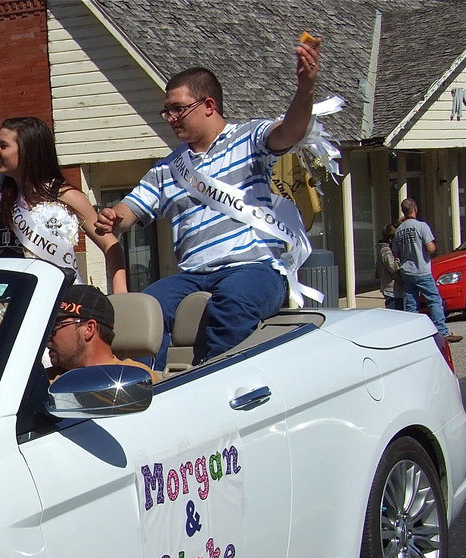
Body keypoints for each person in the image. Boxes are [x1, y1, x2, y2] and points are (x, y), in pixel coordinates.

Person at [96, 35, 324, 368]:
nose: (171, 117)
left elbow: (290, 131)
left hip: (253, 268)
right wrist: (113, 216)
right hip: (191, 275)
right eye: (167, 111)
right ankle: (151, 389)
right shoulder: (167, 168)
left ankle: (213, 384)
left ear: (208, 105)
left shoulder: (248, 138)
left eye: (178, 108)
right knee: (144, 311)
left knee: (232, 302)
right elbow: (129, 211)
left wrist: (305, 89)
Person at [0, 116, 127, 370]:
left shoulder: (67, 197)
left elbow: (111, 245)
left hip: (59, 296)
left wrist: (120, 296)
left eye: (3, 145)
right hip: (8, 294)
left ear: (28, 151)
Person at [46, 285, 160, 383]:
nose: (46, 337)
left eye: (54, 326)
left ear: (89, 329)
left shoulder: (135, 378)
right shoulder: (42, 380)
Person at [393, 198, 461, 343]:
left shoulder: (399, 230)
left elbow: (395, 253)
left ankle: (414, 335)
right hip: (422, 270)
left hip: (406, 271)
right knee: (434, 301)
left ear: (403, 211)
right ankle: (442, 332)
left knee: (411, 304)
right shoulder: (421, 226)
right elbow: (431, 248)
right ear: (415, 208)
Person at [376, 223, 404, 310]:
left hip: (397, 290)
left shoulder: (390, 249)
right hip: (391, 290)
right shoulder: (386, 251)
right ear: (391, 239)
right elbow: (393, 268)